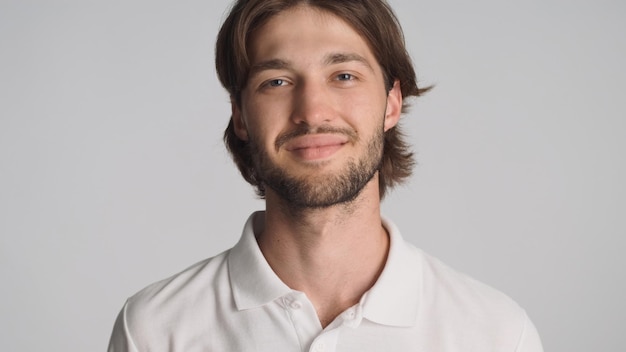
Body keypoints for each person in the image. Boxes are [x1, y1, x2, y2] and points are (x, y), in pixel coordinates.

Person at [108, 0, 544, 351]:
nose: (312, 112)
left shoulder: (497, 335)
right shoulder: (152, 331)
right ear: (240, 115)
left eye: (344, 75)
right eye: (276, 82)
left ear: (391, 103)